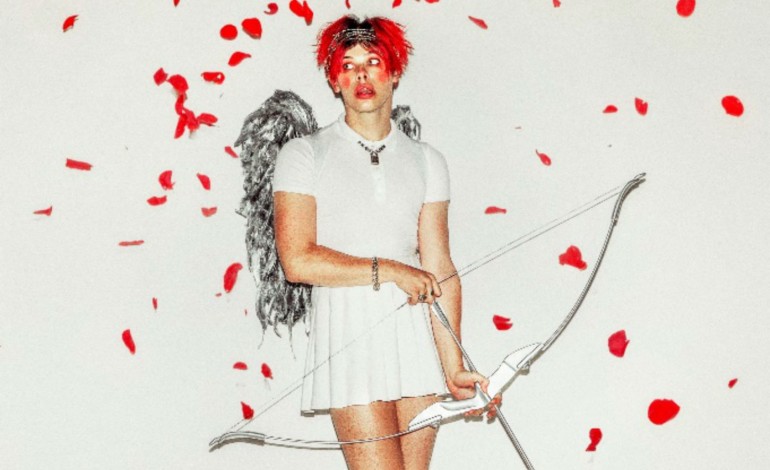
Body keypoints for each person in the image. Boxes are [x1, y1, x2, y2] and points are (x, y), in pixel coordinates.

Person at [272, 15, 498, 470]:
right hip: (348, 331)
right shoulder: (304, 154)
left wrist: (453, 365)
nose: (361, 75)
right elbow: (297, 260)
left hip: (416, 334)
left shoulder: (427, 160)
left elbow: (440, 267)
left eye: (373, 62)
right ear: (334, 80)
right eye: (348, 65)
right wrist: (392, 270)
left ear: (394, 73)